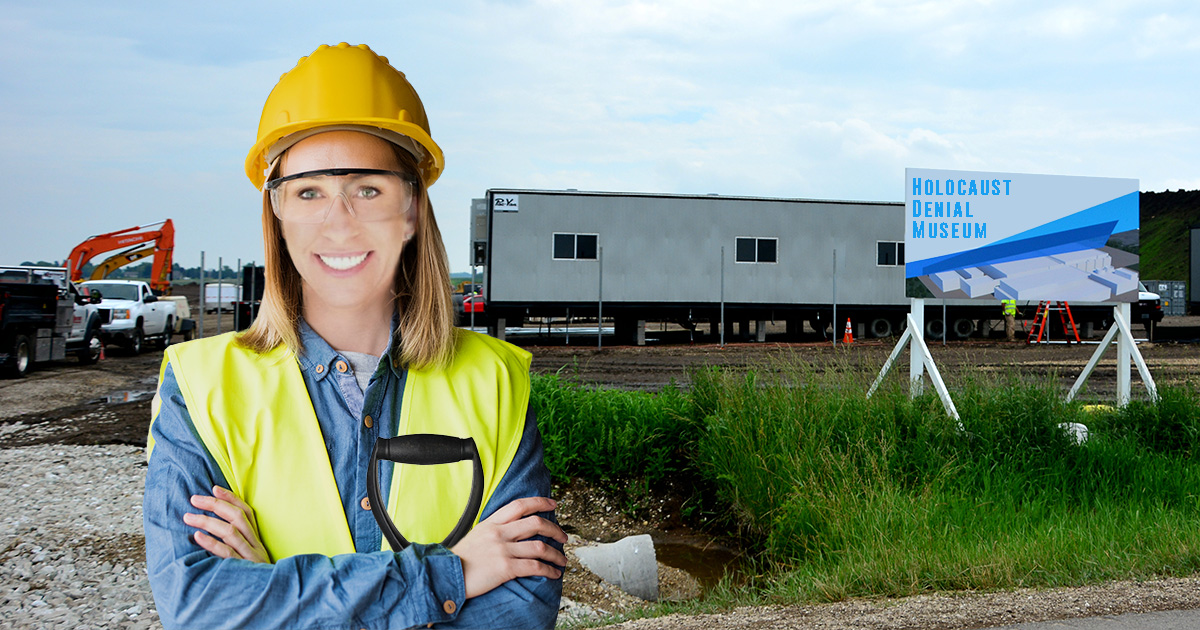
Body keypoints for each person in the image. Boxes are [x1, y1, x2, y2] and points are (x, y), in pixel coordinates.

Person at [143, 43, 566, 629]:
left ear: (412, 209)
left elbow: (521, 609)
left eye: (368, 189)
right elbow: (197, 607)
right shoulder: (201, 386)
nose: (338, 221)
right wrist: (450, 576)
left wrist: (277, 598)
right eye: (309, 192)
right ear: (278, 215)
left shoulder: (493, 382)